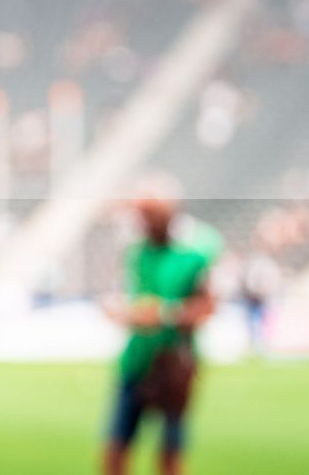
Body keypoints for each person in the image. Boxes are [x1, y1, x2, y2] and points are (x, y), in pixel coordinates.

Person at [102, 196, 220, 475]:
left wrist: (166, 314)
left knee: (170, 453)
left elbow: (206, 307)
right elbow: (130, 300)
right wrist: (126, 313)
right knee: (116, 449)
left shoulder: (192, 257)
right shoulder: (137, 254)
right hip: (136, 361)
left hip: (173, 366)